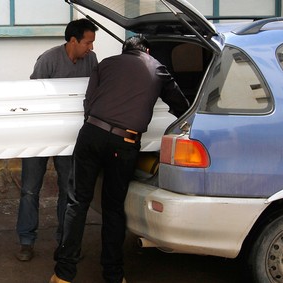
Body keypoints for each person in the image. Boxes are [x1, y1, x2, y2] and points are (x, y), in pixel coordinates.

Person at [49, 35, 190, 283]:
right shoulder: (157, 67)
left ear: (124, 50)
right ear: (146, 50)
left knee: (77, 203)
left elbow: (89, 102)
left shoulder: (104, 63)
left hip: (91, 134)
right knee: (113, 210)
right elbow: (181, 105)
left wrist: (96, 131)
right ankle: (113, 276)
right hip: (124, 143)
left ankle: (63, 275)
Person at [16, 18, 98, 262]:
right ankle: (26, 241)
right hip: (38, 133)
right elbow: (33, 97)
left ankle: (65, 241)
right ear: (72, 41)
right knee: (30, 189)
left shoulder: (91, 61)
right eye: (87, 42)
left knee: (68, 189)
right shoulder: (48, 59)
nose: (91, 48)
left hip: (70, 137)